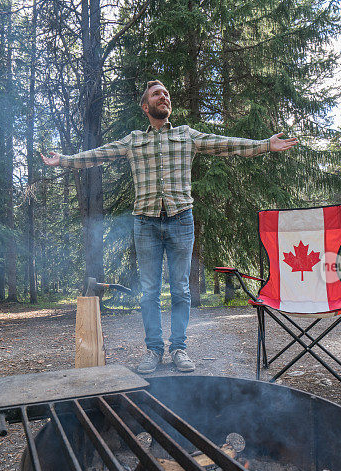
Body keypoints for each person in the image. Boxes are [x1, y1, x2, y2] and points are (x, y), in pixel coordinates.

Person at [42, 80, 297, 374]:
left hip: (181, 220)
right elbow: (99, 154)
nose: (163, 97)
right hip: (145, 223)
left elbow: (226, 144)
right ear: (145, 106)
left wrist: (265, 145)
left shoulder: (186, 136)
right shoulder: (133, 141)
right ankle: (153, 350)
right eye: (156, 94)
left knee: (181, 290)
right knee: (149, 291)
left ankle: (178, 348)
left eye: (166, 94)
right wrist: (64, 160)